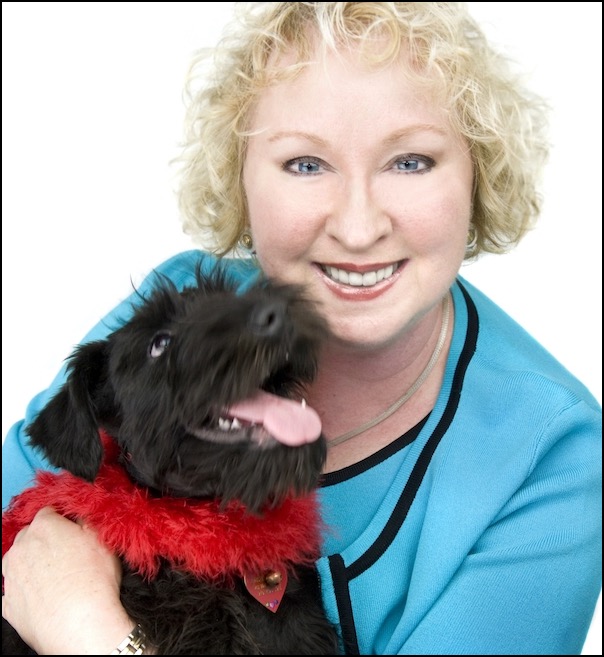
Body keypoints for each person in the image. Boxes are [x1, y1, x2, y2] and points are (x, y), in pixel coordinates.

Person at [2, 2, 601, 654]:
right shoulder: (170, 318)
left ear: (479, 172)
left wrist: (90, 634)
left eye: (410, 161)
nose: (357, 225)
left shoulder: (552, 455)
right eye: (305, 165)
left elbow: (54, 599)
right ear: (241, 180)